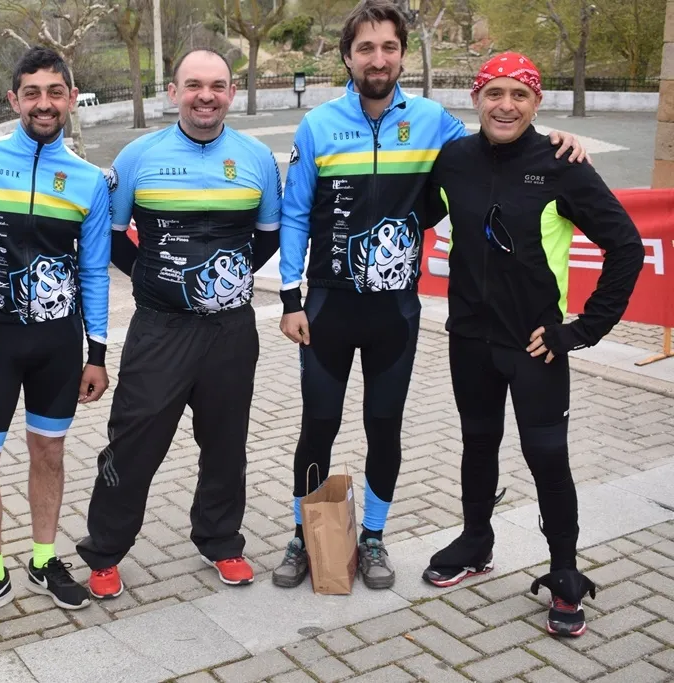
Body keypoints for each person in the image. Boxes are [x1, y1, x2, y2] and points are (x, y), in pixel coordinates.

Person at [275, 0, 587, 591]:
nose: (378, 59)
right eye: (366, 48)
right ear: (348, 57)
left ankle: (372, 537)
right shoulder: (318, 125)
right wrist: (290, 298)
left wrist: (553, 141)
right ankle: (302, 536)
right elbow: (295, 212)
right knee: (318, 425)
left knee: (384, 427)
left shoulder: (432, 121)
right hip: (327, 307)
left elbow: (498, 140)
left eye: (389, 47)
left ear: (401, 56)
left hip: (395, 310)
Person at [421, 52, 643, 637]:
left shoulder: (562, 163)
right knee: (477, 444)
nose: (506, 105)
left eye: (519, 95)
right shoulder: (454, 159)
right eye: (494, 93)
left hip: (535, 347)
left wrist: (583, 330)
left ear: (536, 103)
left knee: (547, 458)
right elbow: (412, 211)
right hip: (470, 338)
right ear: (476, 99)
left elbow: (626, 245)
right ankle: (476, 541)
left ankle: (564, 570)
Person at [75, 48, 283, 598]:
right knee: (132, 442)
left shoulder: (257, 158)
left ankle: (221, 541)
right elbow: (112, 239)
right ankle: (104, 551)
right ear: (173, 93)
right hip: (159, 329)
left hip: (231, 332)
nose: (205, 96)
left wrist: (224, 279)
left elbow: (268, 236)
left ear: (231, 93)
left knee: (226, 444)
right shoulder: (138, 156)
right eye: (193, 85)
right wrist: (158, 279)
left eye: (216, 86)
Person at [0, 46, 111, 626]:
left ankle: (43, 560)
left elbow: (93, 271)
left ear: (71, 98)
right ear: (14, 99)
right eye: (32, 92)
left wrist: (97, 352)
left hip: (59, 346)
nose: (44, 103)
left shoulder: (87, 180)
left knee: (49, 452)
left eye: (55, 92)